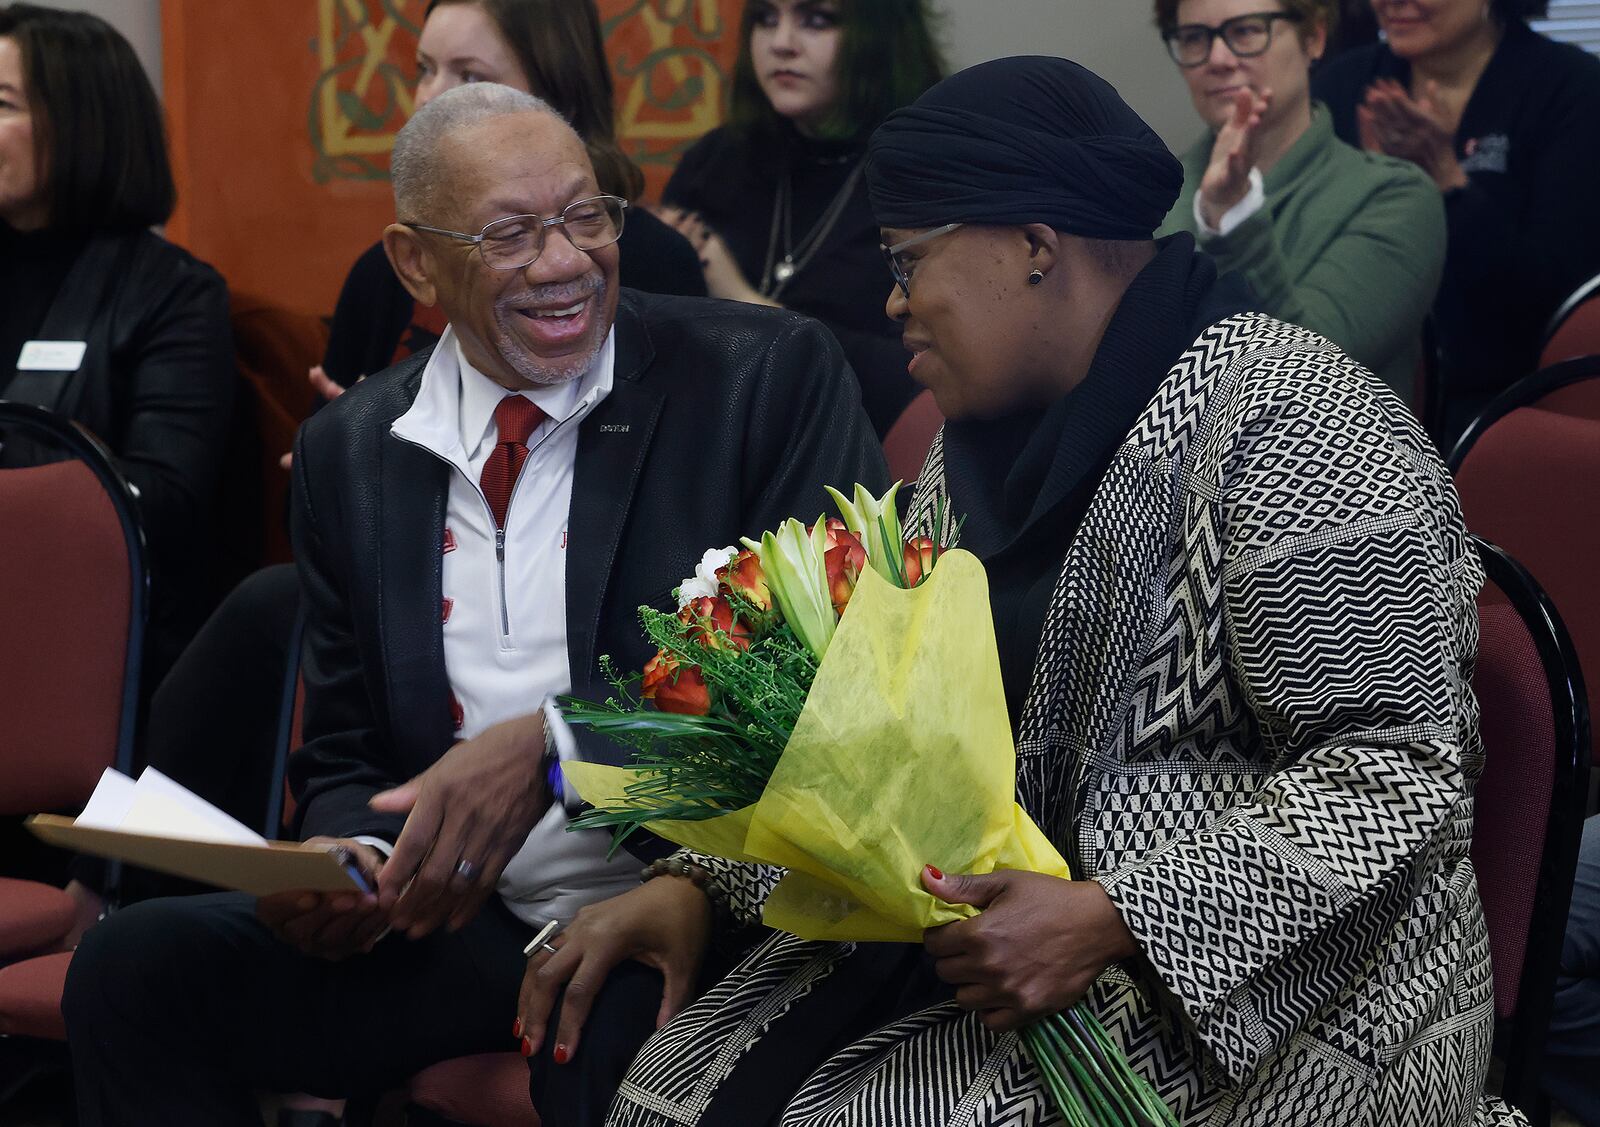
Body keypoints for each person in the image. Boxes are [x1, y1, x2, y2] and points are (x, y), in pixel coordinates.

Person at [517, 56, 1525, 1126]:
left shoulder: (1295, 419)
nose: (894, 304)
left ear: (1035, 249)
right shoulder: (973, 455)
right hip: (1008, 953)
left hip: (1283, 1008)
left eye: (907, 262)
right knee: (662, 1090)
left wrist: (1116, 915)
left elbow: (1395, 765)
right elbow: (875, 742)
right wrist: (694, 883)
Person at [61, 82, 886, 1127]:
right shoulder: (349, 451)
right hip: (464, 921)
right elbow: (353, 747)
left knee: (613, 1048)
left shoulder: (763, 378)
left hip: (683, 906)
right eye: (510, 234)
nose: (565, 261)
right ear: (414, 260)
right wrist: (349, 861)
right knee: (136, 971)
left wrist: (557, 749)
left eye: (588, 216)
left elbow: (824, 684)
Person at [0, 2, 235, 683]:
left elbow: (163, 505)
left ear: (78, 124)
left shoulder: (173, 294)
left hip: (97, 657)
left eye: (3, 102)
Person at [319, 0, 705, 390]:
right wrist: (349, 439)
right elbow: (332, 431)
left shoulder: (654, 261)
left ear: (555, 93)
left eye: (470, 77)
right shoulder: (385, 273)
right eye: (425, 70)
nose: (427, 100)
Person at [1314, 0, 1600, 446]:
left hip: (1508, 414)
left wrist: (1448, 183)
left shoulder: (1572, 88)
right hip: (1355, 398)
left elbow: (1559, 305)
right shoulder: (1343, 84)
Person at [659, 0, 944, 436]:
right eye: (765, 19)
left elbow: (922, 371)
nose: (781, 44)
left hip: (862, 451)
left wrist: (743, 301)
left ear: (880, 35)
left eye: (816, 21)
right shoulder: (715, 162)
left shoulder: (924, 175)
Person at [1155, 0, 1445, 400]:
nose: (1217, 59)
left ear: (1314, 38)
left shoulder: (1395, 197)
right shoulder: (1152, 193)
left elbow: (1306, 379)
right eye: (1193, 38)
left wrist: (1234, 219)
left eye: (1246, 31)